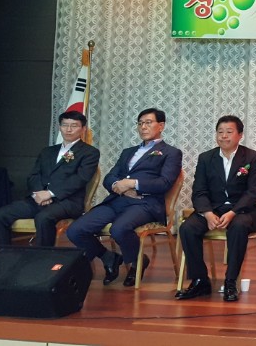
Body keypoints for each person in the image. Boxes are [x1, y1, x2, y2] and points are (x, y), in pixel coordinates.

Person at [67, 108, 182, 287]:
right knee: (75, 230)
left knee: (119, 229)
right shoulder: (128, 152)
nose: (143, 127)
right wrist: (118, 186)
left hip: (145, 203)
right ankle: (108, 257)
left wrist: (133, 183)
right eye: (140, 123)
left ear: (161, 126)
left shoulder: (171, 153)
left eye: (148, 123)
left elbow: (164, 183)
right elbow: (109, 177)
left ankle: (137, 262)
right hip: (117, 200)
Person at [176, 115, 256, 302]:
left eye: (229, 132)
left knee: (238, 226)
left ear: (240, 135)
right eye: (220, 132)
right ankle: (200, 281)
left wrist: (233, 212)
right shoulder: (206, 158)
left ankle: (230, 281)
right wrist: (207, 213)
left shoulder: (251, 157)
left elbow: (254, 191)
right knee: (187, 228)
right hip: (213, 209)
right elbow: (199, 191)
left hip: (242, 210)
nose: (224, 136)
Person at [0, 111, 99, 253]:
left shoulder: (89, 152)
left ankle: (42, 259)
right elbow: (34, 175)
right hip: (38, 199)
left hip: (67, 202)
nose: (68, 129)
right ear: (59, 127)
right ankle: (2, 259)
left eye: (74, 126)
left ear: (83, 129)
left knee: (43, 218)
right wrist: (38, 194)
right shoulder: (48, 151)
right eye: (65, 125)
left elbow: (80, 179)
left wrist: (50, 194)